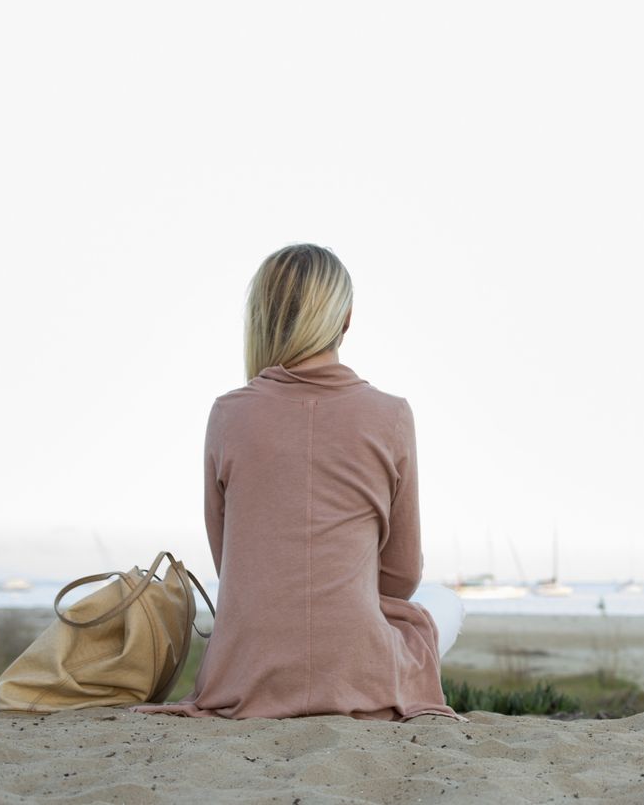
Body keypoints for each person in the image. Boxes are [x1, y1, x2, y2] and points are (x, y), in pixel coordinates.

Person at [133, 244, 463, 721]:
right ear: (346, 318)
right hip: (356, 669)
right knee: (446, 602)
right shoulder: (391, 415)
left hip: (246, 673)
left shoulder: (229, 414)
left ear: (262, 315)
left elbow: (233, 564)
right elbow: (402, 576)